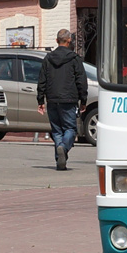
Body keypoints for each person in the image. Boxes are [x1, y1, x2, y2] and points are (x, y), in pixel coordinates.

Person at [37, 28, 88, 170]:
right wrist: (83, 100)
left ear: (56, 41)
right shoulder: (74, 58)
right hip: (69, 99)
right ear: (69, 40)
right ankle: (63, 148)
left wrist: (40, 100)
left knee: (57, 130)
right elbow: (81, 80)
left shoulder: (48, 58)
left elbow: (42, 79)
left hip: (52, 99)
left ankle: (60, 161)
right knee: (70, 129)